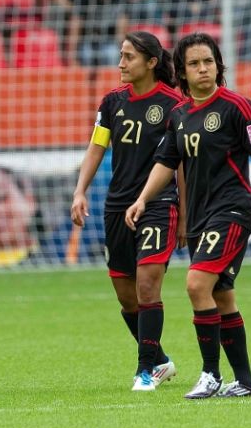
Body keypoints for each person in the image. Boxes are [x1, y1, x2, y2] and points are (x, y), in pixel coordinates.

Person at [126, 32, 251, 399]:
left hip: (231, 210)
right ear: (182, 71)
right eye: (195, 64)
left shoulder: (238, 106)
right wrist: (142, 199)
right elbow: (166, 163)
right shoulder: (179, 115)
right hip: (198, 217)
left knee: (197, 284)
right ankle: (245, 383)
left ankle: (211, 374)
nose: (203, 69)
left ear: (219, 66)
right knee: (222, 296)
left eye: (209, 62)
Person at [71, 31, 184, 391]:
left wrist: (187, 209)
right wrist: (80, 191)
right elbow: (96, 148)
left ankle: (144, 370)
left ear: (151, 62)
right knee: (126, 293)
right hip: (117, 206)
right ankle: (161, 359)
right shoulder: (111, 102)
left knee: (148, 285)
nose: (121, 63)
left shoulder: (172, 105)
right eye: (121, 55)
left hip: (158, 204)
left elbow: (180, 162)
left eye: (129, 57)